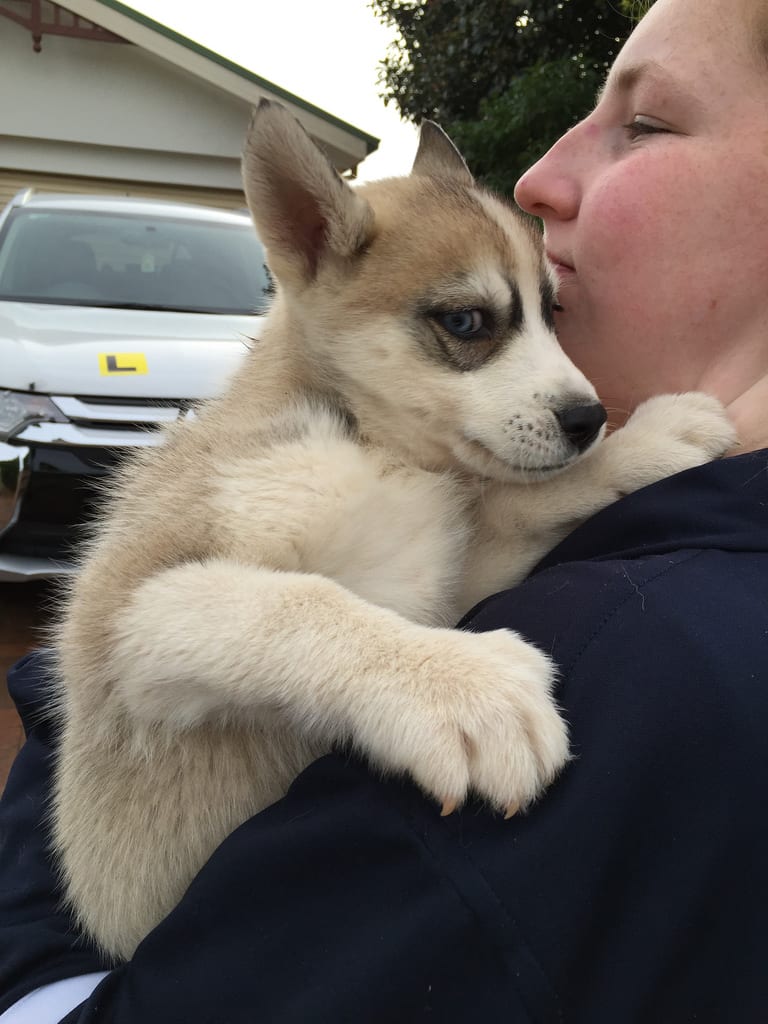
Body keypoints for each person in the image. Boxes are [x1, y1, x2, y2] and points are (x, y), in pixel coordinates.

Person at [1, 0, 767, 1019]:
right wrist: (383, 658)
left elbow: (464, 574)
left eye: (647, 122)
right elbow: (140, 632)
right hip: (139, 905)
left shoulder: (657, 644)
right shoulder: (273, 452)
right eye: (468, 323)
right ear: (305, 241)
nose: (542, 177)